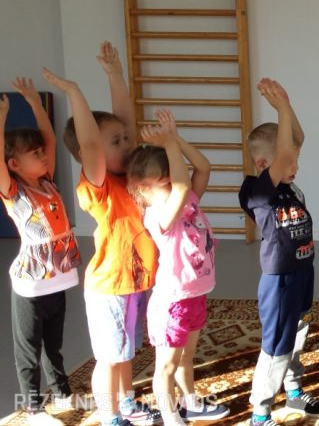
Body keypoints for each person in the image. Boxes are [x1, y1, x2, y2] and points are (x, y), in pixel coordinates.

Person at [44, 42, 159, 426]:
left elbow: (123, 122)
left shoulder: (130, 174)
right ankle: (109, 415)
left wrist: (115, 76)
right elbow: (93, 143)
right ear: (87, 155)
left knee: (125, 353)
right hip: (110, 288)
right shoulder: (98, 184)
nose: (127, 145)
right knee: (109, 359)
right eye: (117, 143)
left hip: (135, 283)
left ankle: (127, 403)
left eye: (126, 140)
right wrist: (74, 92)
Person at [126, 109, 228, 425]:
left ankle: (190, 402)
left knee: (187, 357)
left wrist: (176, 140)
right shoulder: (158, 215)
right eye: (163, 183)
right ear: (143, 188)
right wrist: (169, 144)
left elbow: (203, 167)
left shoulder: (188, 201)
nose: (172, 186)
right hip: (172, 302)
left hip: (195, 296)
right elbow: (182, 186)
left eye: (171, 179)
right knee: (166, 367)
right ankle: (171, 417)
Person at [239, 78, 319, 426]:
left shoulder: (289, 188)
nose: (296, 166)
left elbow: (297, 139)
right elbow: (285, 156)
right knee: (276, 345)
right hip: (279, 281)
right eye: (289, 161)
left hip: (303, 272)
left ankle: (293, 391)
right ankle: (260, 413)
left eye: (296, 159)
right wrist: (280, 111)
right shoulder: (256, 192)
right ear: (264, 162)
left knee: (298, 334)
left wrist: (287, 107)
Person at [1, 78, 80, 426]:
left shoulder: (48, 182)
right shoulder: (13, 193)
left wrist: (35, 102)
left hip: (56, 281)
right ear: (14, 164)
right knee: (28, 351)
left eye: (42, 152)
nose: (44, 155)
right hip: (31, 287)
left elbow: (49, 138)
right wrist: (2, 119)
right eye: (35, 154)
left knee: (53, 344)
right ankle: (33, 409)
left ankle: (61, 391)